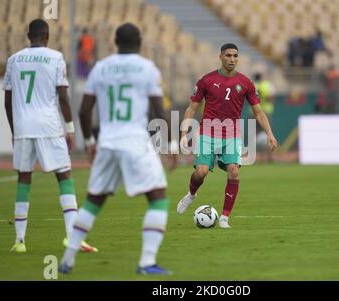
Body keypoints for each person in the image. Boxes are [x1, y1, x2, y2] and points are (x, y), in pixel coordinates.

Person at [59, 23, 178, 275]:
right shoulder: (147, 68)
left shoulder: (100, 68)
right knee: (157, 198)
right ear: (140, 41)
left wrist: (90, 142)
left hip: (107, 142)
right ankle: (147, 262)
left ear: (115, 41)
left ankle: (68, 259)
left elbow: (83, 110)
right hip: (135, 140)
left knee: (94, 201)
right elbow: (159, 110)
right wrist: (171, 145)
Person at [3, 19, 97, 253]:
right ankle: (71, 238)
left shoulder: (13, 60)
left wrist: (15, 131)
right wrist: (70, 129)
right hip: (48, 125)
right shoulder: (55, 58)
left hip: (23, 127)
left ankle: (19, 241)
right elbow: (63, 97)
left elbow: (7, 101)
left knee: (24, 179)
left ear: (28, 36)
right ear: (47, 37)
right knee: (64, 175)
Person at [177, 43, 278, 228]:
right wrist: (184, 133)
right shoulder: (207, 80)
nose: (232, 59)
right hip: (208, 132)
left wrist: (270, 134)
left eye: (235, 56)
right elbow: (192, 108)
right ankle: (191, 194)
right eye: (228, 55)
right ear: (220, 57)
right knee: (201, 172)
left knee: (234, 171)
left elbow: (258, 112)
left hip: (231, 135)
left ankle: (224, 218)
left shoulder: (246, 83)